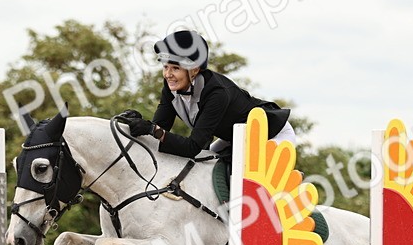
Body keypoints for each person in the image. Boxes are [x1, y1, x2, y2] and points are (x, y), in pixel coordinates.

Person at [122, 30, 295, 163]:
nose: (168, 74)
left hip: (270, 134)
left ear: (194, 70)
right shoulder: (171, 88)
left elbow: (192, 147)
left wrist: (153, 130)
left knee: (239, 181)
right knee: (201, 166)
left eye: (175, 68)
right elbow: (159, 128)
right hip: (235, 137)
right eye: (165, 67)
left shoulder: (216, 93)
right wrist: (139, 125)